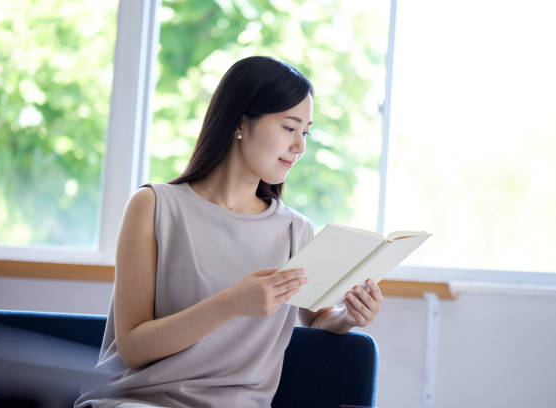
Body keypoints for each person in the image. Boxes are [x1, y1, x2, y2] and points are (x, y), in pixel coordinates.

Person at [75, 56, 384, 408]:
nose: (300, 147)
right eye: (289, 127)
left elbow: (318, 318)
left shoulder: (295, 230)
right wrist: (232, 303)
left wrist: (350, 314)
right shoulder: (153, 206)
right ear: (241, 121)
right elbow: (132, 348)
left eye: (306, 132)